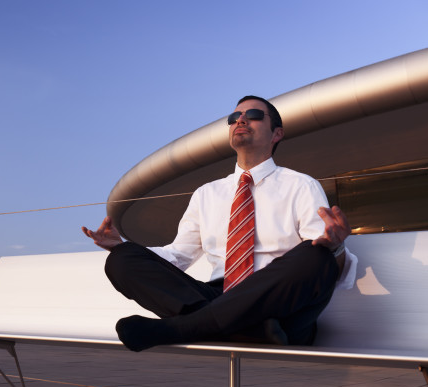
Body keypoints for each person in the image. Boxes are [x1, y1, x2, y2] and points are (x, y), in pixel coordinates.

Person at [82, 95, 357, 352]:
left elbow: (321, 268)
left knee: (316, 255)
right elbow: (178, 255)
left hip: (279, 306)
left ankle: (181, 328)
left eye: (253, 115)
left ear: (277, 134)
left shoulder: (301, 185)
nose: (240, 120)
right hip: (222, 296)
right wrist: (120, 246)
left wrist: (334, 246)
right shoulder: (206, 194)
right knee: (123, 260)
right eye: (234, 116)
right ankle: (245, 329)